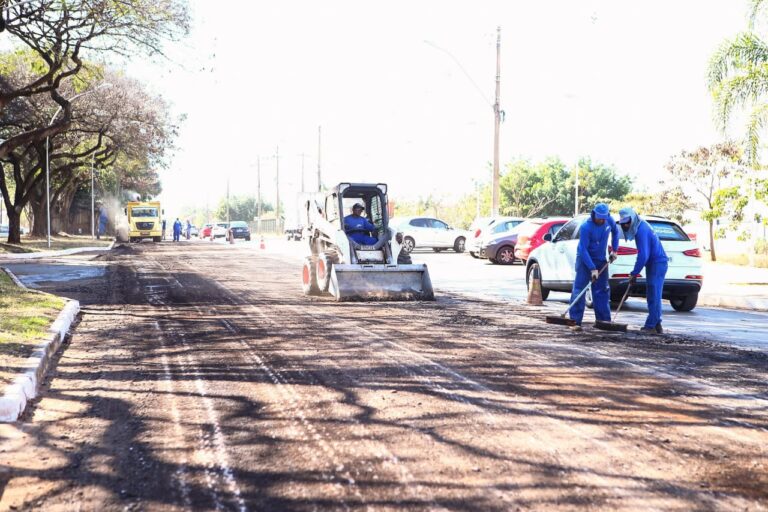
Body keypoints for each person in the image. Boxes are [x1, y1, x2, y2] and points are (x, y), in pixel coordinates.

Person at [568, 203, 620, 331]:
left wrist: (614, 250)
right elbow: (583, 250)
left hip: (601, 260)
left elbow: (616, 232)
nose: (602, 220)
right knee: (580, 289)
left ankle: (603, 321)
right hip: (585, 260)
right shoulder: (586, 227)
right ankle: (575, 321)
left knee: (602, 290)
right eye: (599, 218)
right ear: (594, 215)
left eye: (604, 218)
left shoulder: (609, 220)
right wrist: (592, 268)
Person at [618, 207, 668, 334]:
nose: (626, 225)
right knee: (653, 294)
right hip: (654, 264)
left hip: (657, 264)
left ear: (633, 218)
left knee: (654, 294)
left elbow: (643, 255)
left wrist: (634, 273)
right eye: (623, 223)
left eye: (627, 222)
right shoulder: (641, 226)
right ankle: (657, 324)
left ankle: (651, 325)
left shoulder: (641, 230)